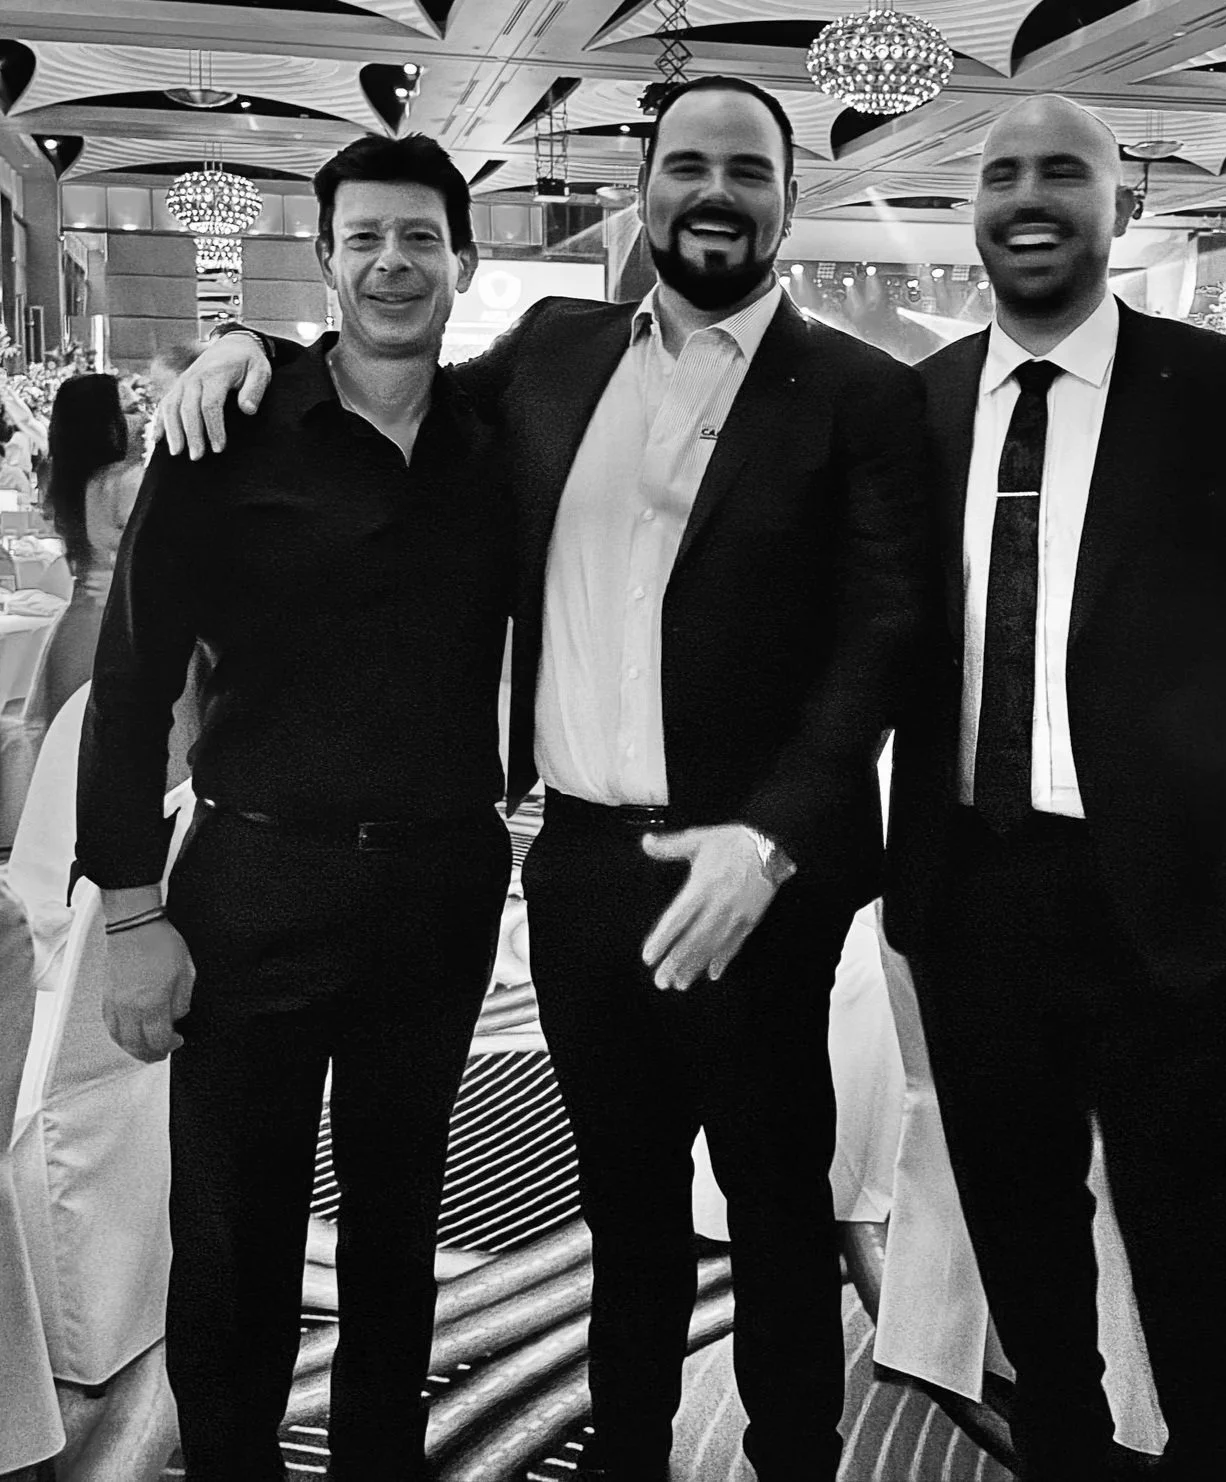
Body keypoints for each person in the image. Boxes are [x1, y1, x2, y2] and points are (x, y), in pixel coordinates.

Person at [160, 74, 931, 1482]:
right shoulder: (555, 352)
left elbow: (883, 636)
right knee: (624, 1215)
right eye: (685, 163)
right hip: (575, 869)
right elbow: (383, 373)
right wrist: (245, 349)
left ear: (787, 198)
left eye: (744, 170)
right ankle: (628, 1457)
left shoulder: (861, 395)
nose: (713, 191)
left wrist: (768, 840)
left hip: (753, 877)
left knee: (772, 1216)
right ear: (640, 190)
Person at [884, 94, 1226, 1482]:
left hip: (1173, 910)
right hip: (970, 900)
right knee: (1024, 1257)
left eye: (1063, 173)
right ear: (971, 207)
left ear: (1123, 203)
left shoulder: (1221, 388)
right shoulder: (914, 407)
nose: (1029, 197)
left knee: (1199, 1265)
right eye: (1001, 173)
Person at [75, 133, 514, 1482]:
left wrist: (242, 331)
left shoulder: (506, 431)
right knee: (234, 1235)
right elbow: (132, 680)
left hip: (439, 887)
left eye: (421, 238)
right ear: (325, 259)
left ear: (463, 261)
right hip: (254, 878)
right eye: (365, 237)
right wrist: (131, 908)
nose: (393, 262)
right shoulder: (226, 431)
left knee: (398, 1223)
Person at [30, 374, 145, 728]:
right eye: (131, 409)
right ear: (104, 422)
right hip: (122, 633)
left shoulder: (64, 479)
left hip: (75, 632)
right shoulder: (129, 481)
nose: (143, 418)